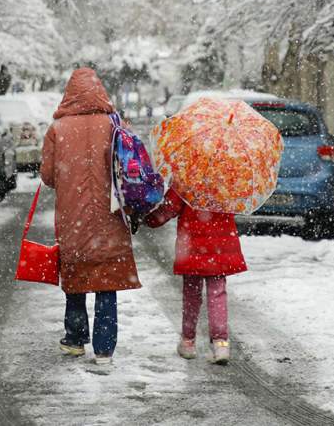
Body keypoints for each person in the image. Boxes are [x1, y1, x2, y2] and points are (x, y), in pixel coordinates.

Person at [40, 67, 141, 365]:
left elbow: (47, 175)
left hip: (73, 218)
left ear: (69, 94)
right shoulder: (114, 124)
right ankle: (105, 349)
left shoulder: (57, 129)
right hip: (111, 215)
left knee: (76, 274)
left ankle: (74, 338)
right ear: (100, 91)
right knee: (106, 279)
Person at [144, 188, 247, 365]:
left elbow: (169, 209)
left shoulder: (187, 177)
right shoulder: (228, 177)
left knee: (191, 295)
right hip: (220, 244)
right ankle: (221, 343)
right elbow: (238, 205)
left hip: (192, 245)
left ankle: (188, 341)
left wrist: (148, 219)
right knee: (217, 294)